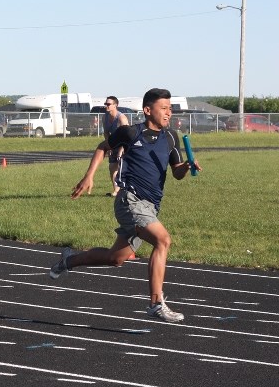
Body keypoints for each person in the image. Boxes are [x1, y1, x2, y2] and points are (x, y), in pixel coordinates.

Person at [49, 88, 201, 323]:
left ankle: (69, 260)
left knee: (115, 258)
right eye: (164, 108)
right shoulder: (130, 133)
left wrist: (187, 166)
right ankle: (155, 303)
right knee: (163, 240)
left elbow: (176, 172)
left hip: (151, 205)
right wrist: (89, 176)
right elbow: (102, 147)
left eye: (170, 108)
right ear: (148, 110)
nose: (169, 113)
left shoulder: (171, 137)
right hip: (130, 199)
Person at [102, 96, 129, 197]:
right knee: (112, 167)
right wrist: (109, 146)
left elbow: (127, 136)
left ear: (115, 105)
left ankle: (127, 190)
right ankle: (116, 191)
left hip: (125, 144)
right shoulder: (105, 117)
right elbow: (106, 132)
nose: (106, 106)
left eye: (108, 104)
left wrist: (121, 150)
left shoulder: (121, 118)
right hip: (113, 144)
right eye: (106, 104)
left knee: (122, 167)